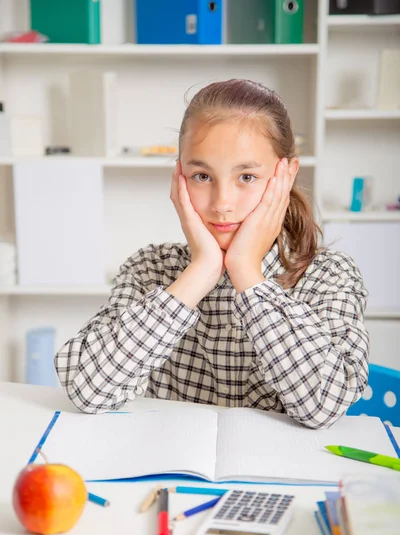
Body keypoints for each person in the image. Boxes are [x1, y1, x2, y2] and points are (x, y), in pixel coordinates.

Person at [54, 79, 370, 429]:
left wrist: (246, 271)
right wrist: (201, 270)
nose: (222, 204)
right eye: (202, 175)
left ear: (285, 175)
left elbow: (325, 406)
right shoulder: (150, 269)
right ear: (179, 177)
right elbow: (87, 390)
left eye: (247, 177)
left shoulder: (328, 274)